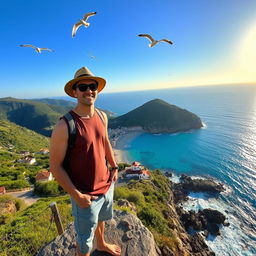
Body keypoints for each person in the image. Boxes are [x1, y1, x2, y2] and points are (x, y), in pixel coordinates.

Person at [50, 67, 121, 256]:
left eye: (93, 86)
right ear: (75, 92)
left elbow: (104, 141)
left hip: (106, 185)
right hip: (85, 194)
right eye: (83, 87)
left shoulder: (101, 116)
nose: (89, 90)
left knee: (101, 220)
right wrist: (77, 196)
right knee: (84, 244)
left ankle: (102, 244)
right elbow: (55, 167)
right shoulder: (64, 125)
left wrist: (114, 167)